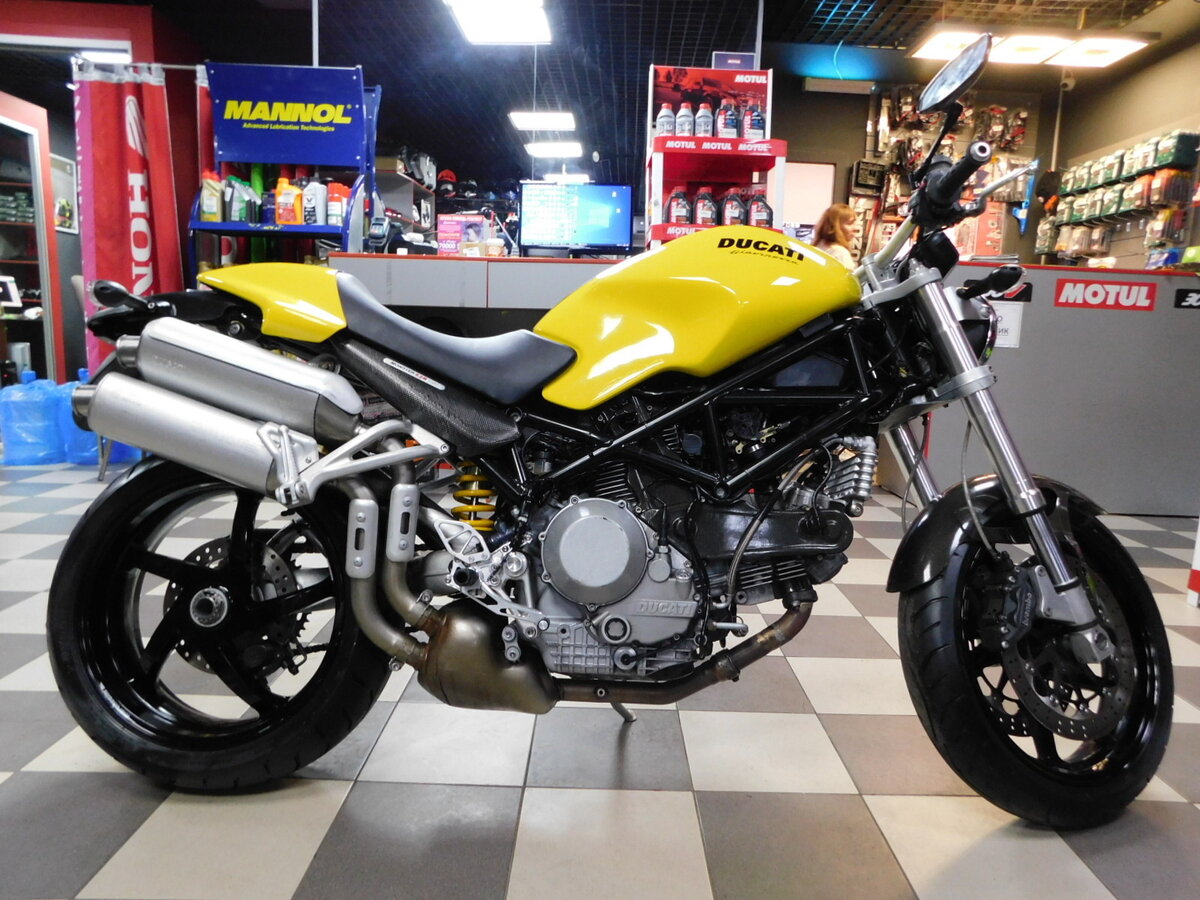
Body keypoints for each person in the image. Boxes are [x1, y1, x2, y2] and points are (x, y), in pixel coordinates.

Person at [812, 203, 860, 269]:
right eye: (850, 223)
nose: (855, 228)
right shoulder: (840, 253)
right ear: (835, 226)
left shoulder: (817, 246)